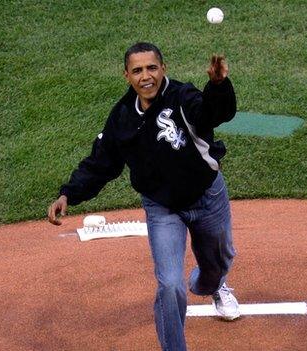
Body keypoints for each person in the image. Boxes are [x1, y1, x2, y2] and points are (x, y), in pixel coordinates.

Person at [48, 42, 239, 351]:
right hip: (162, 208)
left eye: (151, 68)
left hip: (207, 197)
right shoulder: (122, 117)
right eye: (137, 70)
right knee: (169, 284)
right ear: (127, 75)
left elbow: (215, 113)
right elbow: (101, 162)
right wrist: (68, 193)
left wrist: (218, 86)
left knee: (218, 264)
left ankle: (211, 284)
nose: (145, 76)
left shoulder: (183, 97)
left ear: (163, 69)